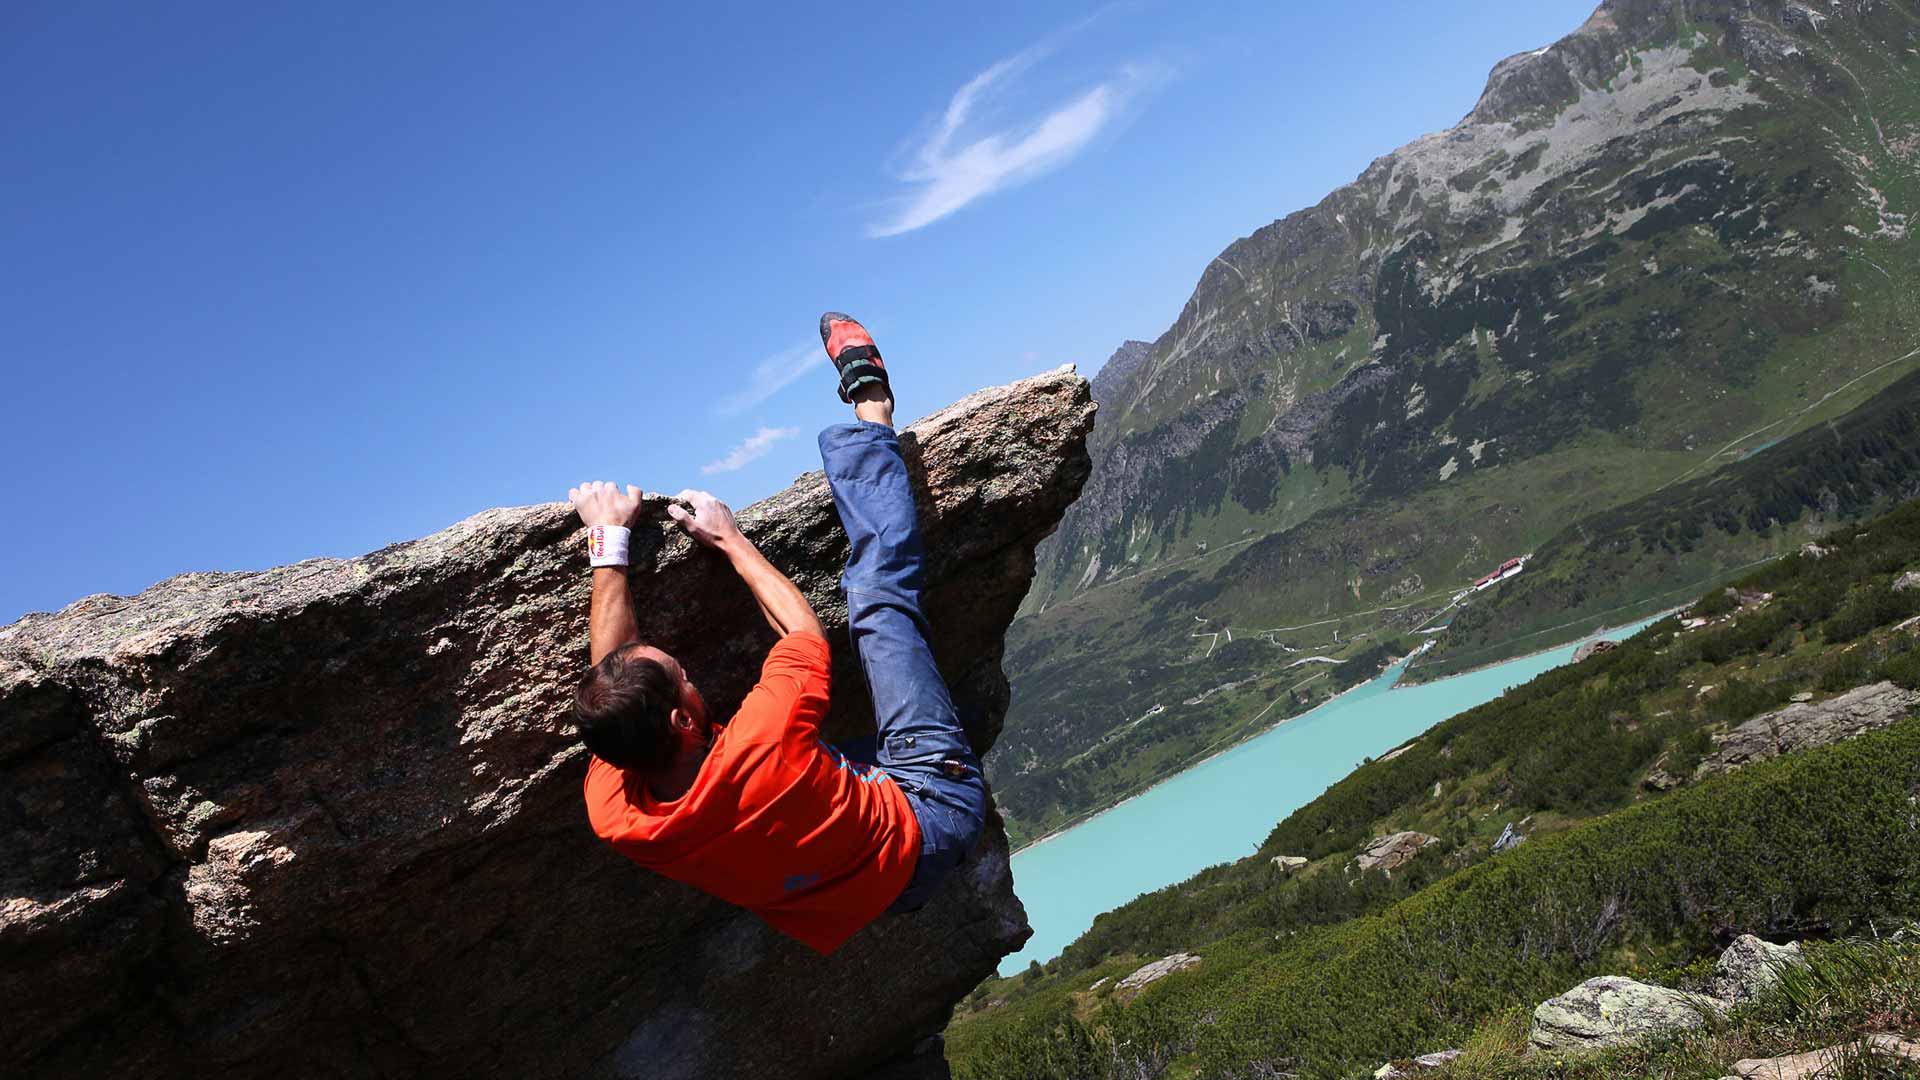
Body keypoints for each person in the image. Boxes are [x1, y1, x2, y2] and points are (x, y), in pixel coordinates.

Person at [569, 313, 990, 954]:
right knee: (878, 604)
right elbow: (801, 630)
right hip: (934, 813)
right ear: (682, 722)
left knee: (833, 759)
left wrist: (610, 544)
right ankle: (872, 411)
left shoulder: (621, 815)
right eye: (683, 677)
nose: (691, 675)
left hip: (873, 897)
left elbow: (614, 675)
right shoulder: (766, 737)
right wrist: (730, 539)